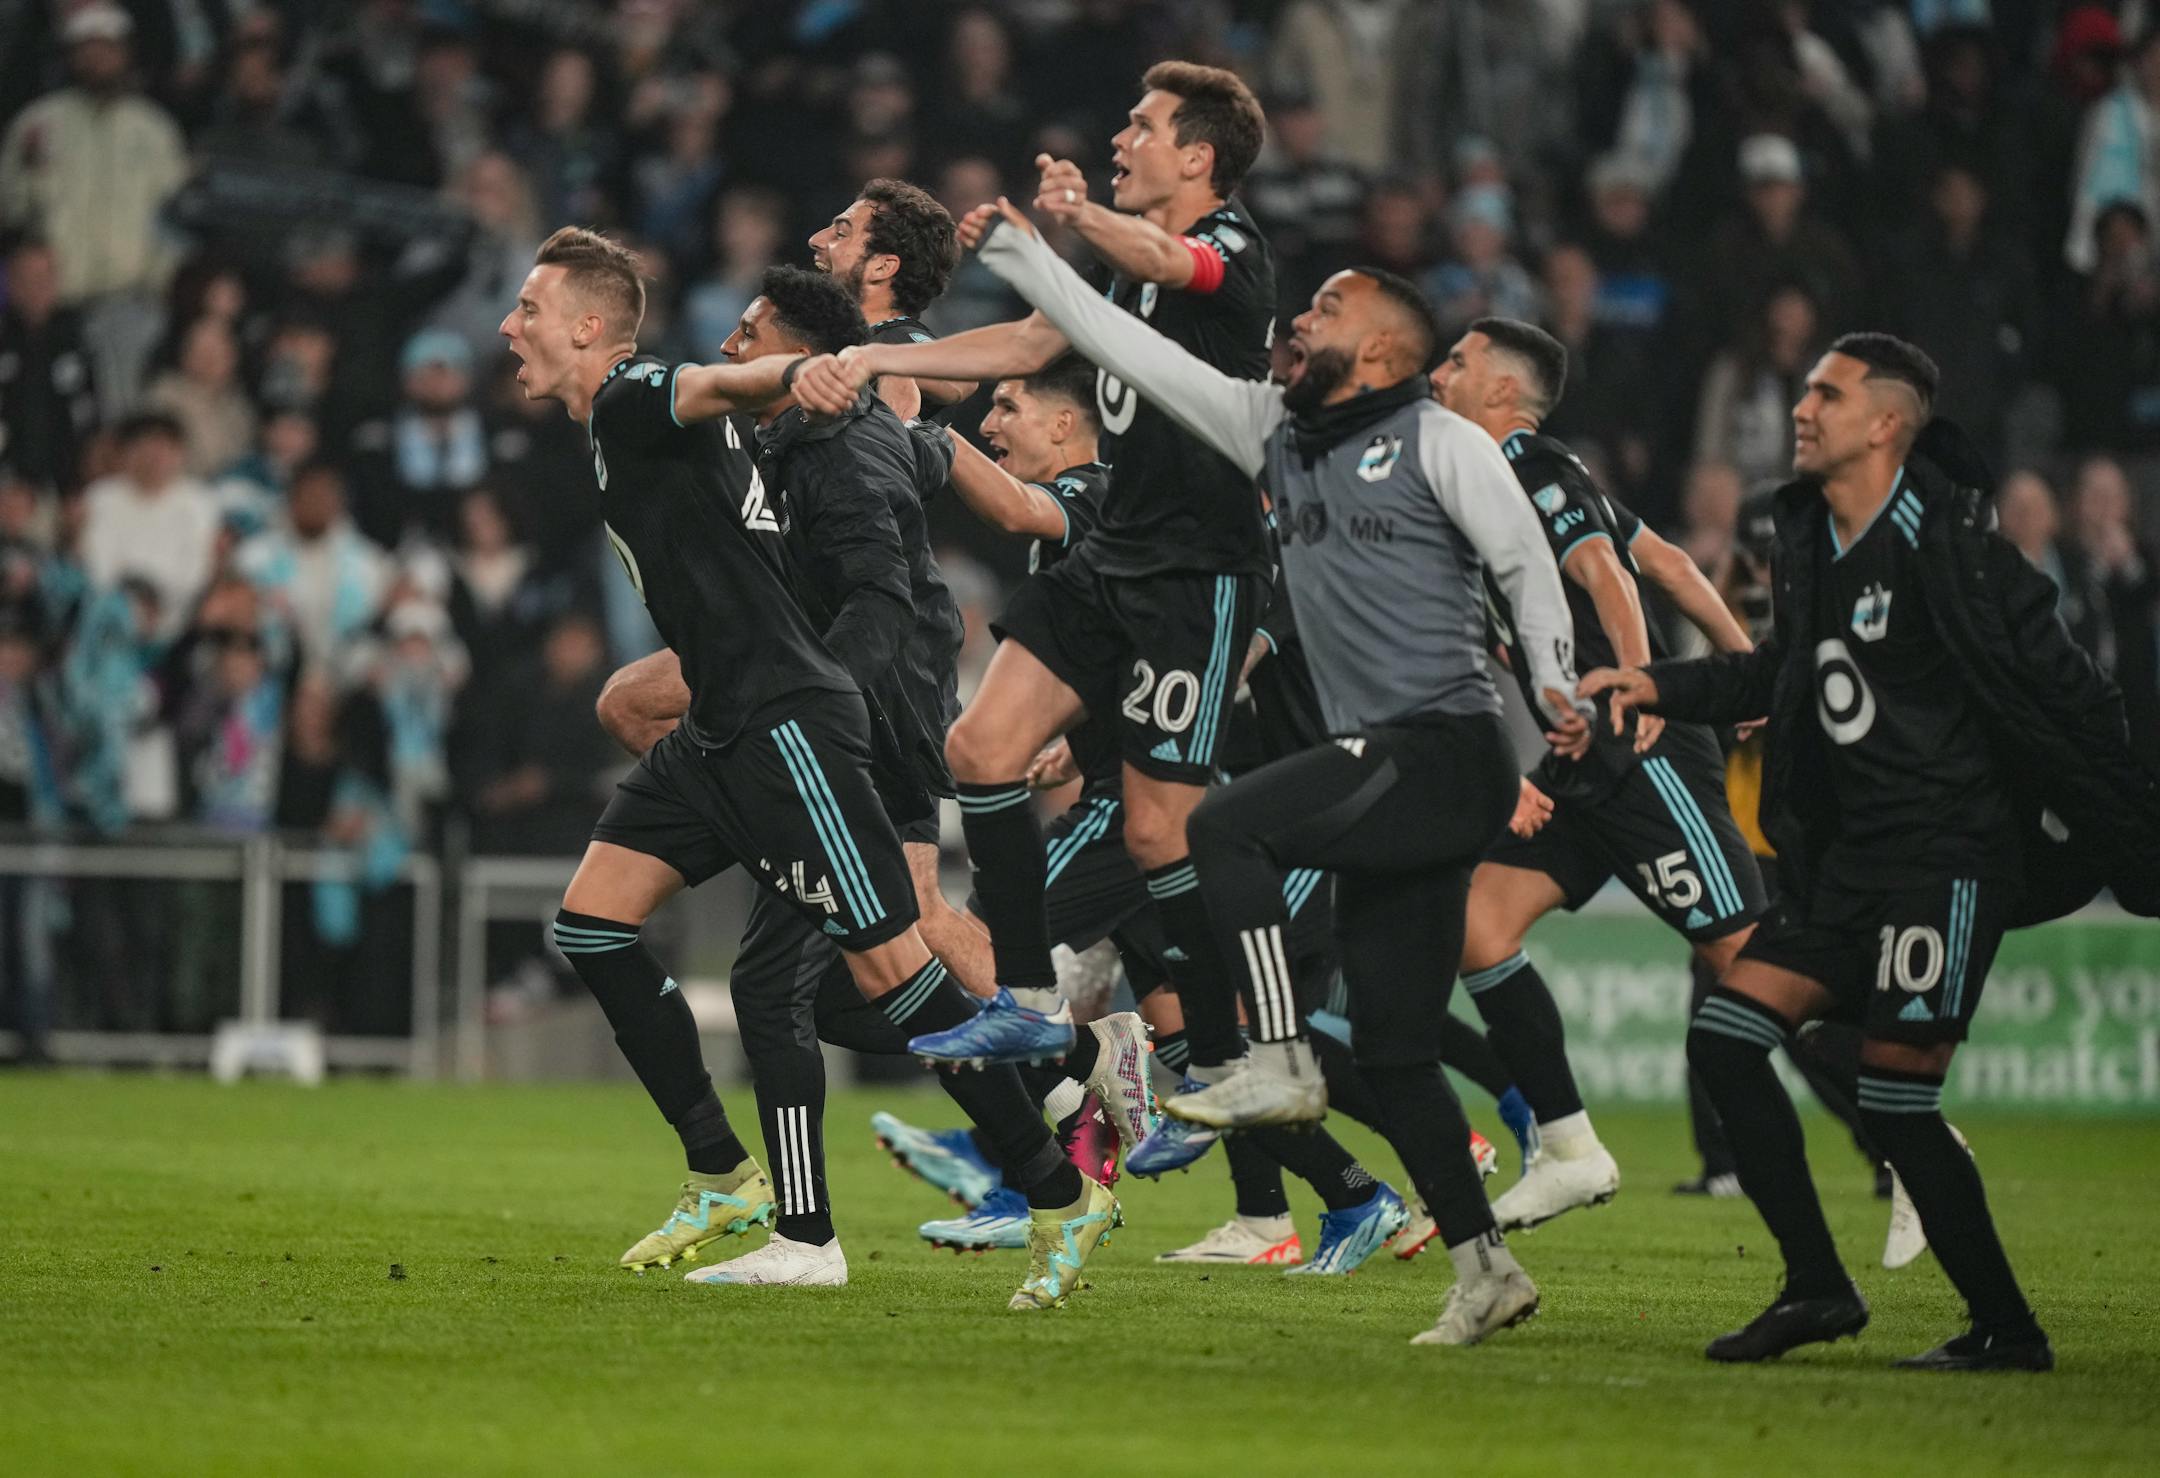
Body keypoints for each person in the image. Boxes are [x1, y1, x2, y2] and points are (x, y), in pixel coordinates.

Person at [820, 198, 1585, 1346]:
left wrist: (1559, 687)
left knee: (1214, 830)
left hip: (1444, 744)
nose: (1304, 312)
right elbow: (1125, 345)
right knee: (1391, 1045)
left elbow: (1526, 559)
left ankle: (1256, 1059)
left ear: (1381, 352)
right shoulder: (1271, 427)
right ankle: (1482, 1262)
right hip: (1382, 761)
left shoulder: (1438, 438)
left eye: (1333, 307)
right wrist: (1030, 256)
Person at [499, 227, 1118, 1312]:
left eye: (530, 311)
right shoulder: (631, 424)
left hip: (793, 728)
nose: (512, 328)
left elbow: (719, 379)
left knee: (902, 980)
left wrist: (806, 369)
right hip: (722, 727)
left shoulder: (642, 389)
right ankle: (721, 1171)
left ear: (590, 327)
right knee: (592, 923)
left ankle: (1055, 1189)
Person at [1581, 334, 2160, 1370]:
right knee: (1725, 1034)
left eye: (1826, 394)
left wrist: (2130, 830)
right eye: (1805, 390)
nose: (1803, 407)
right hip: (1849, 871)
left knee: (1896, 1097)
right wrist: (1658, 685)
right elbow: (1777, 676)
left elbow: (2081, 700)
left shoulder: (1963, 551)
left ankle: (2008, 1328)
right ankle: (1815, 1285)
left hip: (1948, 862)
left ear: (1887, 424)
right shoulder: (1807, 543)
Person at [802, 63, 1279, 1105]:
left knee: (1158, 830)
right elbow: (1028, 340)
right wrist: (878, 363)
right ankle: (1022, 992)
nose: (1122, 138)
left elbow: (1169, 251)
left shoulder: (1227, 250)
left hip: (1197, 570)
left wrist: (1074, 220)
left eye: (1143, 126)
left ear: (1197, 157)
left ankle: (1236, 1048)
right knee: (979, 748)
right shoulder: (1126, 278)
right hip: (1113, 555)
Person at [1428, 317, 1764, 1233]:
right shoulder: (1499, 482)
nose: (1438, 371)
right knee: (1479, 925)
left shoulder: (1532, 468)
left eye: (1456, 361)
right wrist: (1746, 670)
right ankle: (1572, 1149)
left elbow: (1611, 575)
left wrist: (1640, 685)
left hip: (1641, 750)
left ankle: (1909, 1129)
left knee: (1751, 964)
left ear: (1501, 392)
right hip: (1582, 759)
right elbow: (1675, 564)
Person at [808, 178, 978, 418]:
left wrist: (882, 363)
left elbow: (961, 377)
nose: (815, 239)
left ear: (882, 267)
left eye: (841, 234)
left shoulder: (895, 337)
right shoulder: (832, 339)